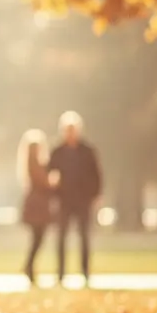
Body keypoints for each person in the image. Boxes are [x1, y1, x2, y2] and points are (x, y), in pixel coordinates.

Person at [46, 111, 102, 287]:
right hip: (64, 200)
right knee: (61, 238)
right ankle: (61, 274)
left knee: (84, 237)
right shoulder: (57, 151)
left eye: (73, 130)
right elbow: (49, 174)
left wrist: (95, 195)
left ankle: (85, 272)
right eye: (67, 130)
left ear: (78, 130)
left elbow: (97, 175)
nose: (70, 133)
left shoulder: (88, 151)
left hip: (83, 200)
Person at [17, 128, 54, 287]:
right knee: (37, 239)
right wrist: (51, 182)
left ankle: (29, 267)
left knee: (37, 239)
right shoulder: (33, 163)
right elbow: (43, 181)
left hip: (38, 205)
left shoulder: (35, 163)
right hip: (37, 206)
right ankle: (29, 267)